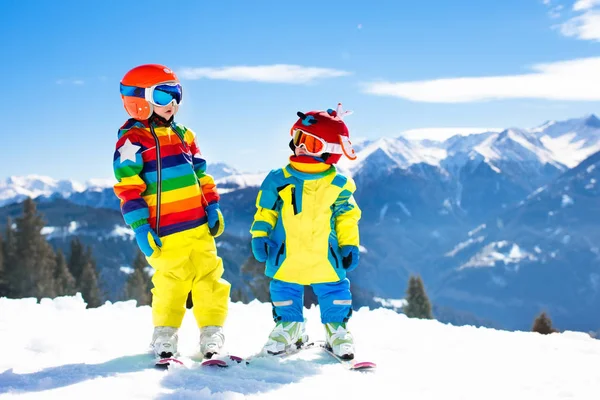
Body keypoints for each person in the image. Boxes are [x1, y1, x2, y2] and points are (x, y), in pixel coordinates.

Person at [113, 64, 231, 360]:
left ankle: (211, 332)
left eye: (177, 94)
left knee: (211, 280)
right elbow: (128, 188)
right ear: (139, 100)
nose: (174, 104)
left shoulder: (185, 134)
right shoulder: (132, 141)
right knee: (170, 284)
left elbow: (201, 173)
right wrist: (140, 226)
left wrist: (212, 204)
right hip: (165, 232)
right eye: (164, 96)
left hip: (199, 226)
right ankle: (164, 333)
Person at [250, 104, 361, 359]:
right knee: (284, 287)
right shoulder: (278, 179)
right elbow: (265, 210)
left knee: (334, 289)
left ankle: (337, 330)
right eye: (298, 138)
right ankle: (290, 327)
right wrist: (260, 234)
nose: (300, 146)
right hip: (287, 252)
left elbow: (347, 217)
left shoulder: (338, 184)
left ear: (330, 151)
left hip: (325, 253)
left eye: (310, 143)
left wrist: (349, 244)